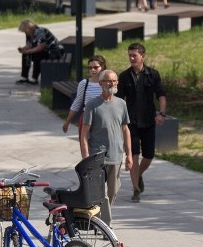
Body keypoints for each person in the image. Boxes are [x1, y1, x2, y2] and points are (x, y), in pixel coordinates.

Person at [80, 69, 133, 226]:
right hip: (98, 156)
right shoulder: (92, 105)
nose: (111, 84)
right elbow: (84, 133)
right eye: (108, 81)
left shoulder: (121, 104)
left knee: (113, 191)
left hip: (116, 155)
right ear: (101, 83)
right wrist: (86, 157)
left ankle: (100, 219)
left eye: (114, 81)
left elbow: (125, 130)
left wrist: (129, 154)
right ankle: (106, 225)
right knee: (102, 194)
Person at [116, 43, 167, 202]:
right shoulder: (124, 76)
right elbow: (119, 100)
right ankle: (136, 189)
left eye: (134, 55)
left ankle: (138, 176)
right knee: (133, 155)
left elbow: (161, 95)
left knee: (149, 155)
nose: (131, 58)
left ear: (142, 56)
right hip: (131, 123)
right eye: (129, 55)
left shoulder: (153, 74)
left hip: (148, 120)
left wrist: (162, 113)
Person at [62, 55, 107, 138]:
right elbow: (77, 102)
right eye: (90, 68)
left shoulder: (108, 83)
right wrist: (67, 121)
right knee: (86, 147)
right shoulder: (84, 83)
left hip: (104, 118)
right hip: (87, 118)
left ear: (103, 67)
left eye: (95, 67)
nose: (92, 70)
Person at [17, 19, 63, 84]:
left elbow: (40, 47)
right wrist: (23, 49)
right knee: (25, 55)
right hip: (45, 51)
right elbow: (29, 45)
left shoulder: (40, 31)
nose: (24, 33)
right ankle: (24, 77)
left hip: (54, 52)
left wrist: (28, 51)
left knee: (37, 55)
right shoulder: (29, 34)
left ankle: (34, 78)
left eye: (25, 31)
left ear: (29, 28)